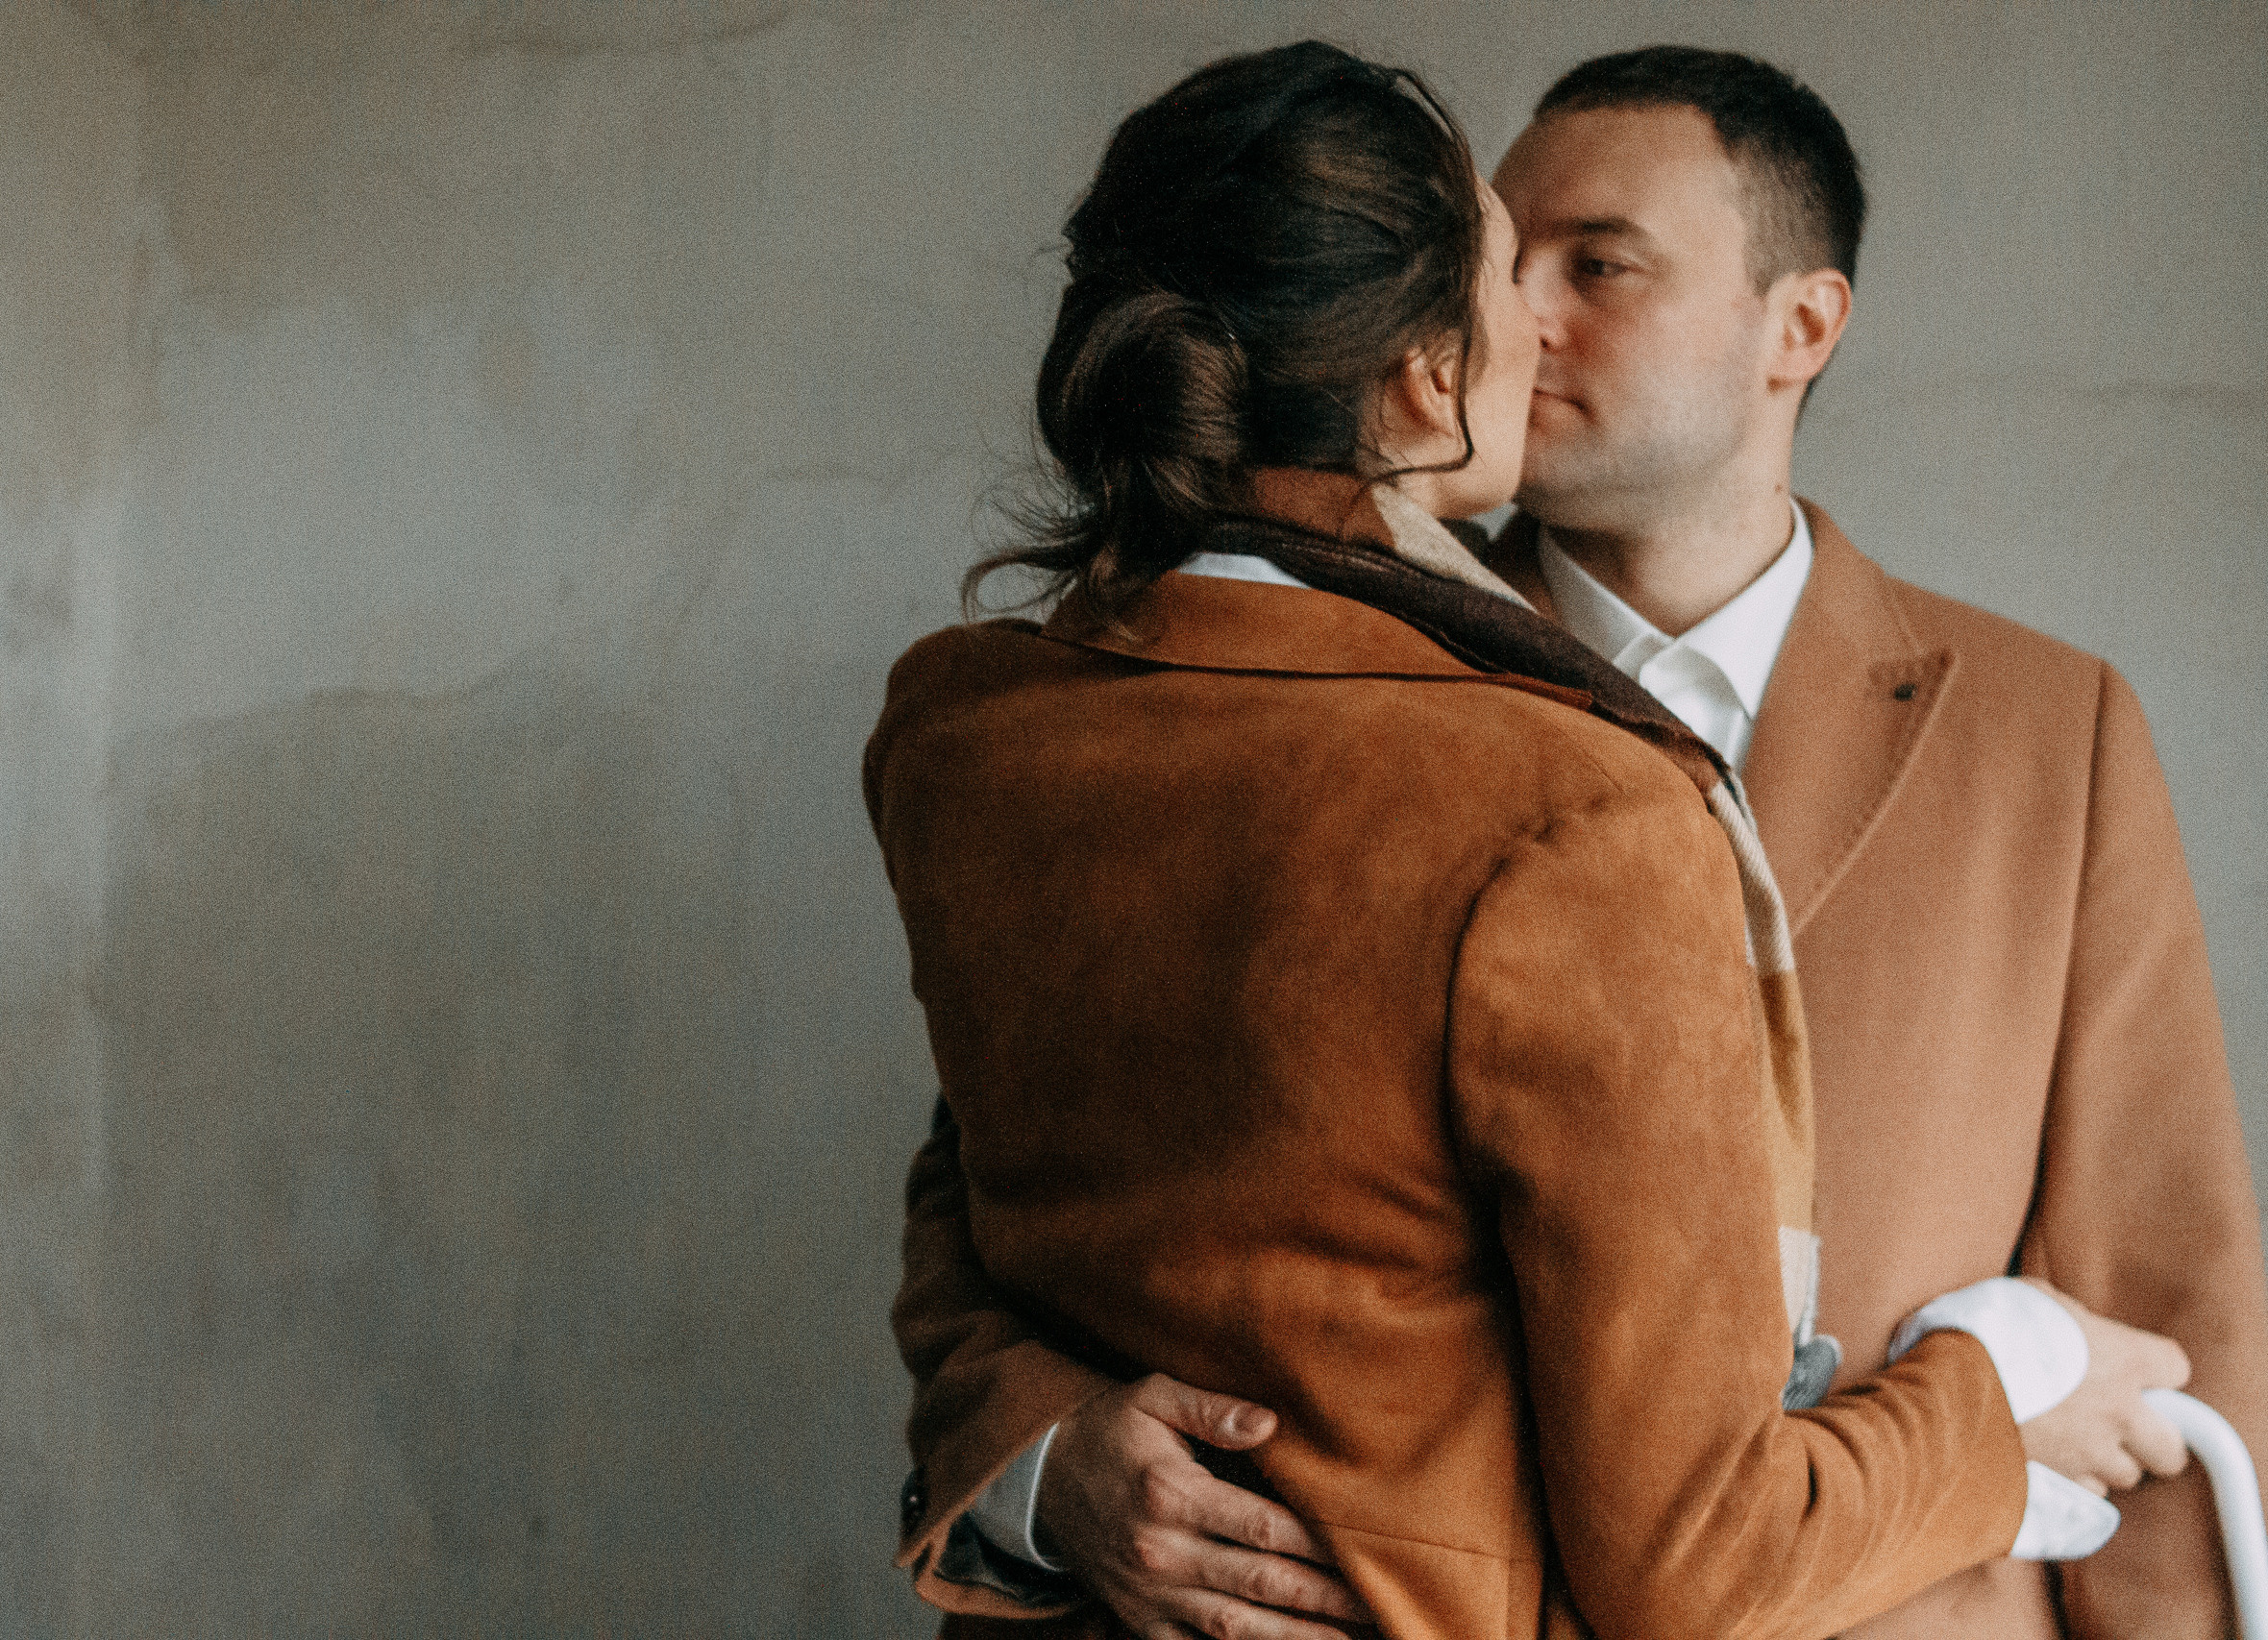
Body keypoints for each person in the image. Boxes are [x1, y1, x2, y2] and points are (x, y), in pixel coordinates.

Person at [900, 45, 2268, 1640]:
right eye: (1506, 257)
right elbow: (1005, 1178)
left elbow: (2167, 1313)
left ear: (1801, 325)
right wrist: (1043, 1459)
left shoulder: (2055, 729)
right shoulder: (1274, 711)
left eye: (1597, 265)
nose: (1522, 314)